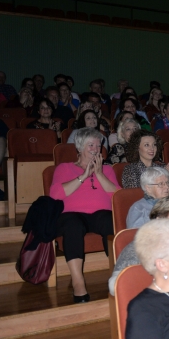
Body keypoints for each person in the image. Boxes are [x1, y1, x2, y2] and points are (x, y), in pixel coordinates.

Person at [49, 128, 119, 302]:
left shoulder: (107, 169)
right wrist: (84, 175)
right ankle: (78, 282)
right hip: (71, 215)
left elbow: (118, 196)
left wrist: (99, 174)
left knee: (109, 220)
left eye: (98, 145)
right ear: (79, 148)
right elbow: (55, 195)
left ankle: (118, 274)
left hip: (100, 215)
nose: (96, 149)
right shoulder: (64, 168)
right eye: (91, 145)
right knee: (73, 225)